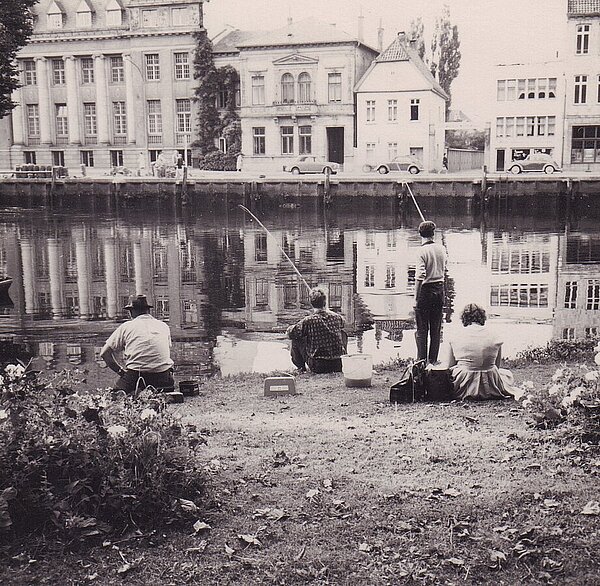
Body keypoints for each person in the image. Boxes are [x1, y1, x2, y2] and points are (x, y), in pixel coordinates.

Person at [100, 294, 175, 395]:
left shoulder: (127, 326)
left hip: (136, 376)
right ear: (148, 310)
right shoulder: (163, 326)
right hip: (164, 378)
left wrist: (121, 372)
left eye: (130, 311)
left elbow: (104, 353)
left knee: (114, 396)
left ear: (133, 311)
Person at [445, 303, 517, 400]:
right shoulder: (494, 336)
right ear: (483, 318)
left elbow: (450, 366)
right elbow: (496, 366)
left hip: (464, 380)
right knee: (507, 375)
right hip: (490, 381)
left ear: (464, 318)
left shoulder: (456, 336)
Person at [286, 287, 347, 374]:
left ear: (311, 303)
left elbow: (290, 334)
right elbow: (343, 323)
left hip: (319, 366)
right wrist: (330, 312)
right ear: (325, 302)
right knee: (342, 332)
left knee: (296, 338)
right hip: (338, 364)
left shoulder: (308, 321)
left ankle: (301, 368)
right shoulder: (337, 317)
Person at [414, 220, 447, 364]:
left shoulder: (421, 251)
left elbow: (420, 276)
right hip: (439, 289)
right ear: (433, 234)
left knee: (422, 329)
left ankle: (422, 361)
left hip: (426, 291)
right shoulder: (442, 249)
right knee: (436, 328)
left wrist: (416, 298)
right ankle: (433, 361)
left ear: (420, 234)